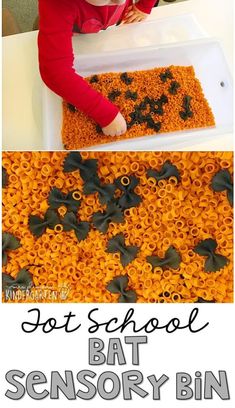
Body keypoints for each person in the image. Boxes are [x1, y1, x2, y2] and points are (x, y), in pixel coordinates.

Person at [38, 0, 158, 137]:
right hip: (70, 28)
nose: (120, 1)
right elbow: (54, 71)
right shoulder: (55, 4)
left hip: (112, 25)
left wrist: (144, 6)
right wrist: (105, 114)